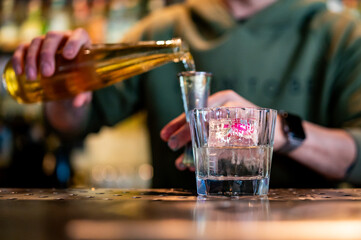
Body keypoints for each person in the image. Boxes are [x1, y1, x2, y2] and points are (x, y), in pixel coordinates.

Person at [11, 0, 361, 189]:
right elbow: (73, 123)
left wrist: (278, 130)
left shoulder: (342, 34)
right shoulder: (163, 30)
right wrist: (61, 84)